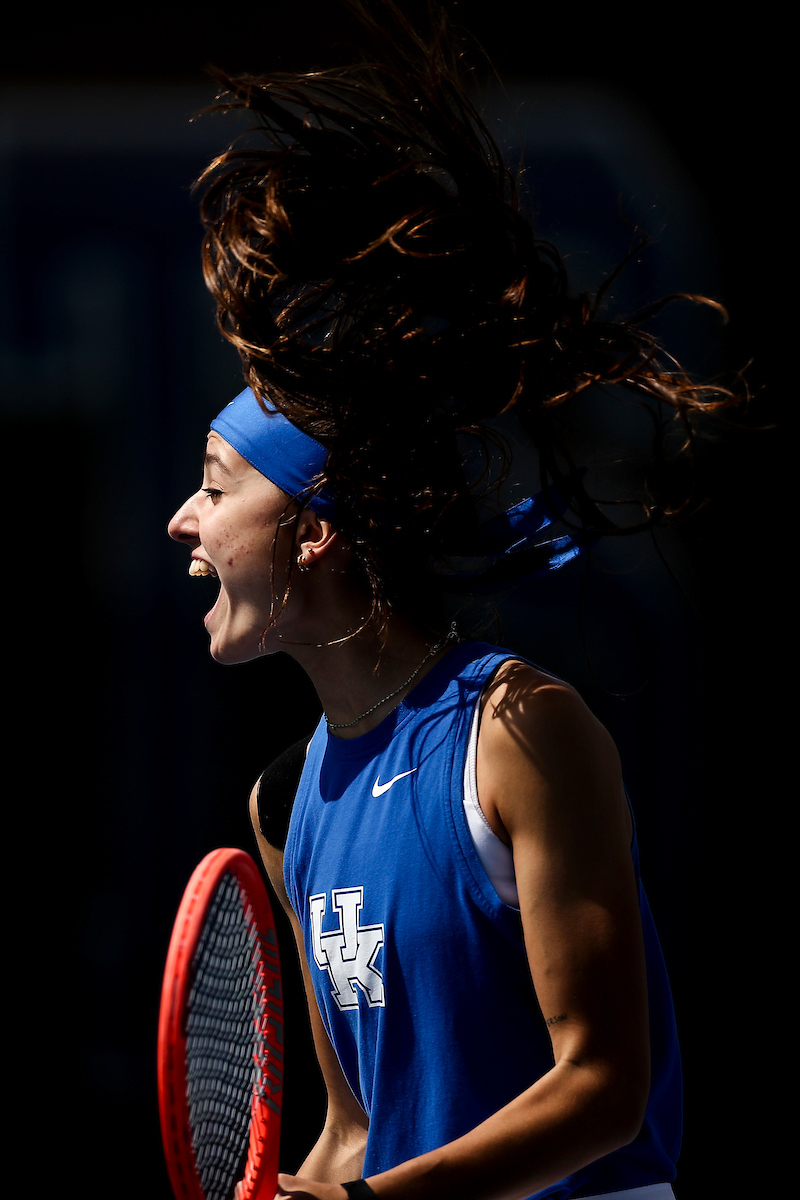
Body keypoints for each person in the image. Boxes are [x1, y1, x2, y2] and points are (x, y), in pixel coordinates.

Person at [168, 5, 736, 1196]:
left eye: (215, 488)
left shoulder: (520, 731)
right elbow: (355, 1134)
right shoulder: (286, 806)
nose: (182, 520)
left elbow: (601, 1087)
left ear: (314, 530)